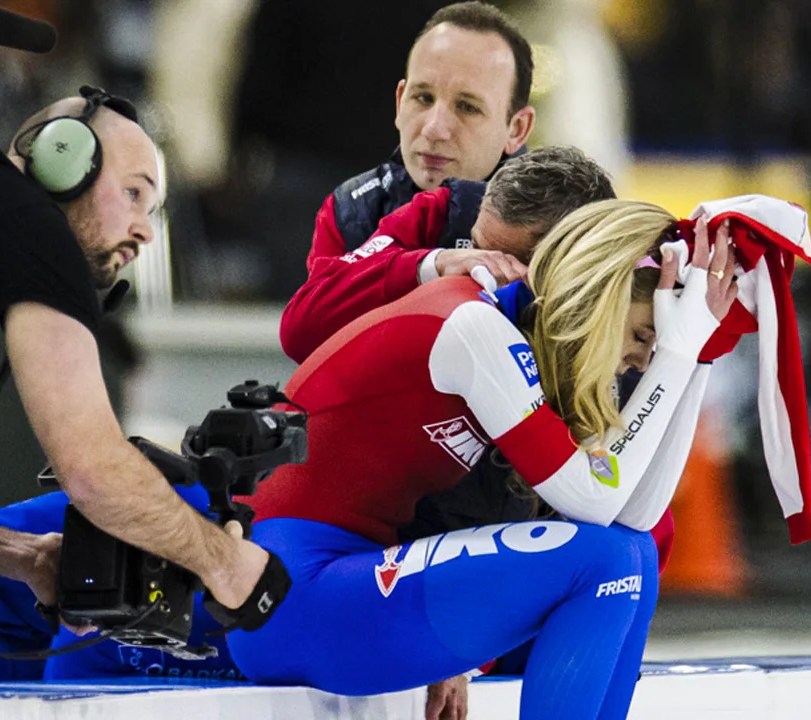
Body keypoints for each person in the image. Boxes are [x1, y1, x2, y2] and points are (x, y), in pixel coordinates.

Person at [230, 201, 739, 720]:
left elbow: (635, 516)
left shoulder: (509, 336)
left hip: (334, 582)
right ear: (599, 300)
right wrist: (677, 355)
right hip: (288, 595)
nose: (641, 362)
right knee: (603, 561)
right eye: (641, 336)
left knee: (634, 555)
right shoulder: (474, 327)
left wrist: (700, 353)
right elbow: (597, 501)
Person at [0, 88, 285, 692]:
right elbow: (91, 470)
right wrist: (228, 566)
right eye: (135, 192)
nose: (145, 229)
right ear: (64, 158)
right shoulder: (29, 225)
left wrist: (22, 556)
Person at [280, 145, 615, 365]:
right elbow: (300, 330)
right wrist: (432, 265)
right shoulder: (444, 215)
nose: (488, 272)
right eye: (479, 247)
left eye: (515, 259)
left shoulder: (632, 304)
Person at [307, 1, 537, 272]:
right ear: (399, 102)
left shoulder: (557, 227)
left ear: (517, 129)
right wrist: (426, 267)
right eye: (423, 98)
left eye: (467, 107)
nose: (434, 128)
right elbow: (307, 313)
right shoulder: (350, 211)